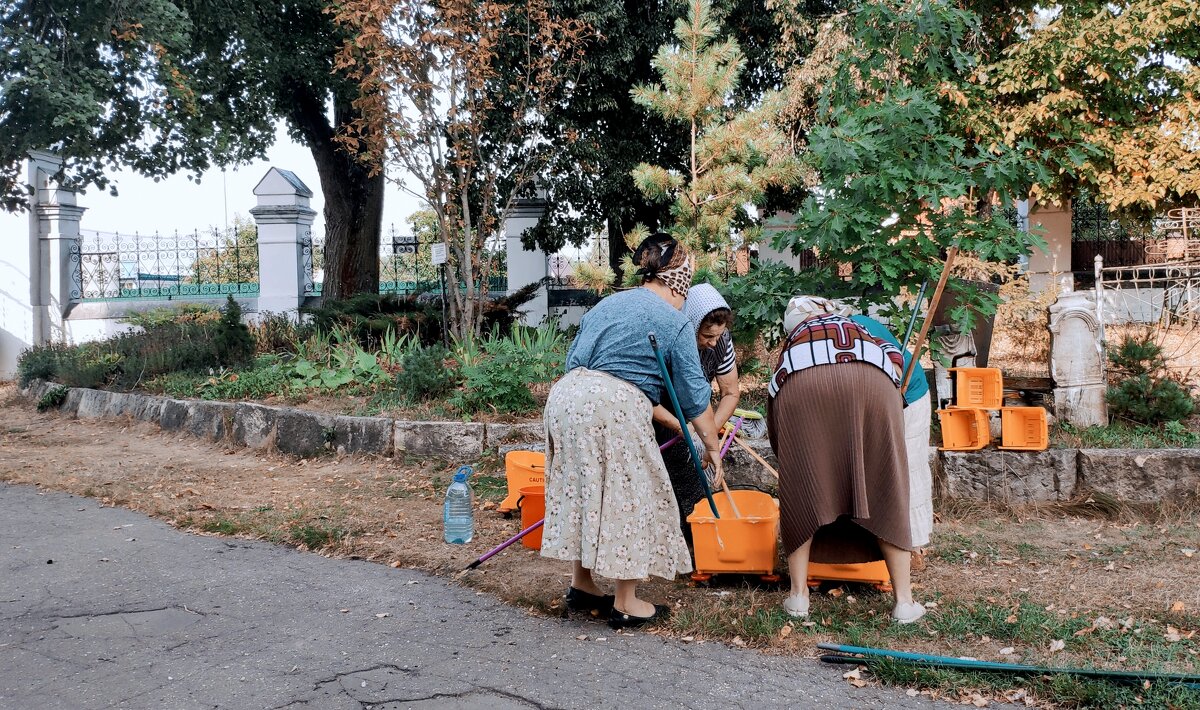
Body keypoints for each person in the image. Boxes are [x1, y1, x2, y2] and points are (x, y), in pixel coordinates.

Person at [540, 233, 726, 629]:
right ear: (679, 281)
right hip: (612, 407)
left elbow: (576, 359)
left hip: (567, 398)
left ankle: (583, 584)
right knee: (633, 496)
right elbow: (695, 398)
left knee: (586, 488)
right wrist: (711, 446)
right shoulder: (673, 320)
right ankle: (626, 601)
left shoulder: (608, 304)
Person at [767, 295, 925, 624]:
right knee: (885, 485)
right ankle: (905, 603)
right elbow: (897, 363)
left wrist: (792, 461)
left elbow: (775, 407)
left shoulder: (794, 341)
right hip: (873, 380)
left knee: (800, 490)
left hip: (803, 385)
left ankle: (798, 598)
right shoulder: (860, 328)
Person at [652, 283, 741, 533]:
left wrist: (706, 433)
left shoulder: (721, 342)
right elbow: (647, 400)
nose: (713, 343)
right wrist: (685, 430)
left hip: (694, 423)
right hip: (661, 422)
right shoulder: (669, 341)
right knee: (669, 489)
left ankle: (699, 547)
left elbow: (731, 392)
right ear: (690, 326)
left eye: (718, 335)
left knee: (698, 489)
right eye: (706, 336)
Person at [849, 312, 933, 554]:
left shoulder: (858, 329)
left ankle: (914, 544)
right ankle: (882, 538)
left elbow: (892, 366)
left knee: (908, 466)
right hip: (882, 399)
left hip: (910, 397)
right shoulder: (834, 332)